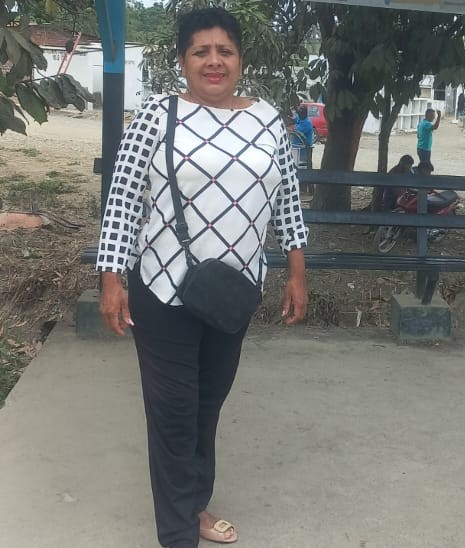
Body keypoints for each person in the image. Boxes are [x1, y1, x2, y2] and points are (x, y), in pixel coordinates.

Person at [96, 7, 308, 548]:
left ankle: (192, 505)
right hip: (162, 288)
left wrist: (296, 273)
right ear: (183, 60)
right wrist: (112, 278)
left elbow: (287, 201)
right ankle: (177, 535)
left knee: (206, 407)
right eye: (201, 51)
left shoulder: (268, 120)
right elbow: (123, 200)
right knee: (173, 413)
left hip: (232, 295)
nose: (214, 61)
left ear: (241, 59)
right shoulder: (157, 115)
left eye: (225, 51)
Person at [293, 104, 314, 169]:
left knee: (302, 167)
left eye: (300, 114)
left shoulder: (307, 123)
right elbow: (293, 120)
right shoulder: (299, 117)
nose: (299, 115)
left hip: (304, 148)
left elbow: (295, 132)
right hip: (296, 147)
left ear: (305, 114)